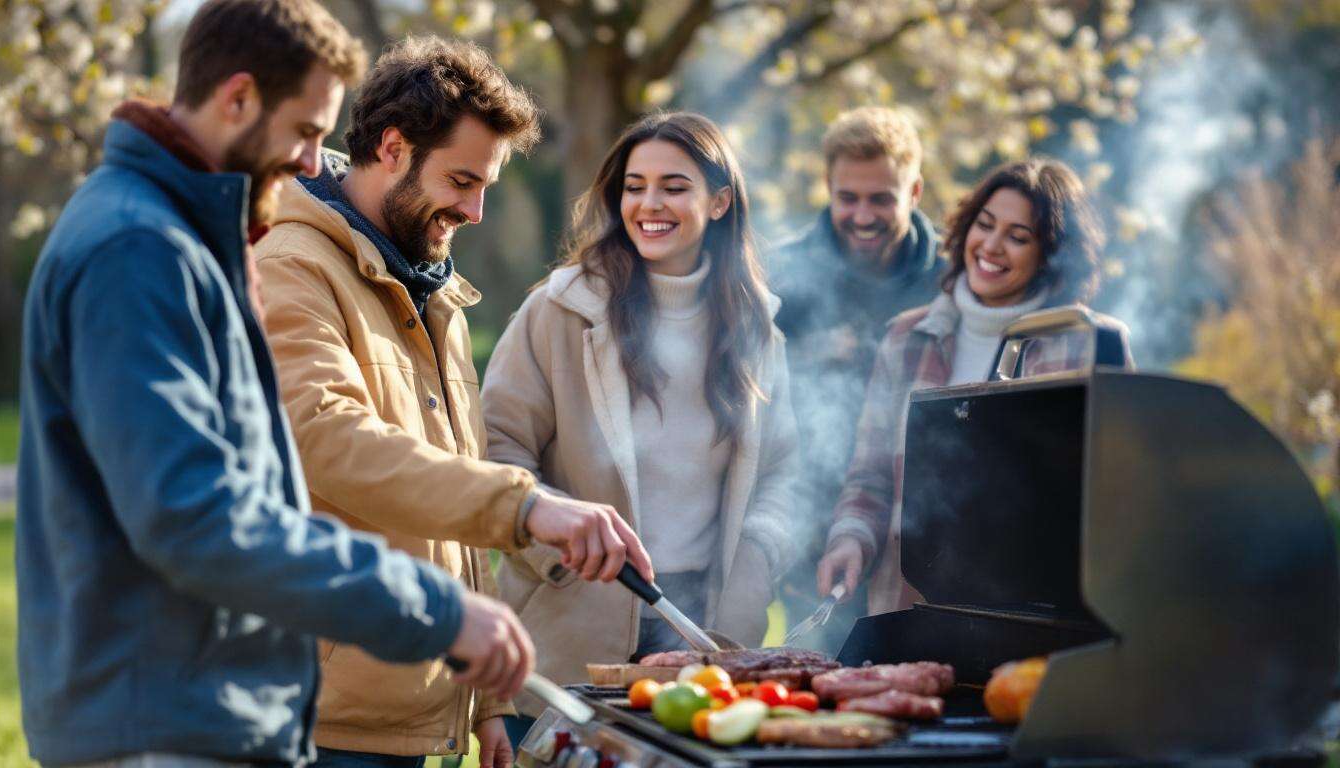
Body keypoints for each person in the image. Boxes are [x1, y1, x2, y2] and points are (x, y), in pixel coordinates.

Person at [15, 3, 536, 767]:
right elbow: (195, 515)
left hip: (210, 715)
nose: (310, 161)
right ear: (237, 99)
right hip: (157, 724)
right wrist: (434, 608)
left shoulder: (188, 240)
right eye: (303, 131)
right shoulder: (138, 248)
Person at [253, 36, 652, 768]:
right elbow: (328, 438)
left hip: (419, 709)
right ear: (394, 146)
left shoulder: (434, 288)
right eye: (462, 181)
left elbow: (452, 497)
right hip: (322, 721)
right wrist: (529, 505)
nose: (474, 210)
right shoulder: (290, 266)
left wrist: (489, 701)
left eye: (487, 187)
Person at [482, 111, 798, 738]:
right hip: (566, 634)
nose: (649, 204)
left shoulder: (757, 329)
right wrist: (564, 548)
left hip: (701, 639)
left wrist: (752, 576)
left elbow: (782, 478)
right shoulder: (557, 309)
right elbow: (497, 449)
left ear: (719, 202)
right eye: (634, 186)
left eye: (674, 187)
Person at [816, 157, 1133, 616]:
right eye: (985, 225)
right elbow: (870, 477)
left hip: (1036, 615)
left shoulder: (1088, 344)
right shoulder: (907, 338)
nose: (992, 246)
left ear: (1052, 254)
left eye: (1018, 237)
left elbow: (1114, 497)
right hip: (907, 608)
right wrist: (850, 540)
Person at [768, 106, 944, 650]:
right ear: (828, 186)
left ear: (913, 192)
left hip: (925, 524)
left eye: (881, 199)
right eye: (848, 198)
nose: (863, 215)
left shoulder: (953, 279)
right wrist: (809, 355)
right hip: (811, 524)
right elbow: (745, 389)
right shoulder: (781, 274)